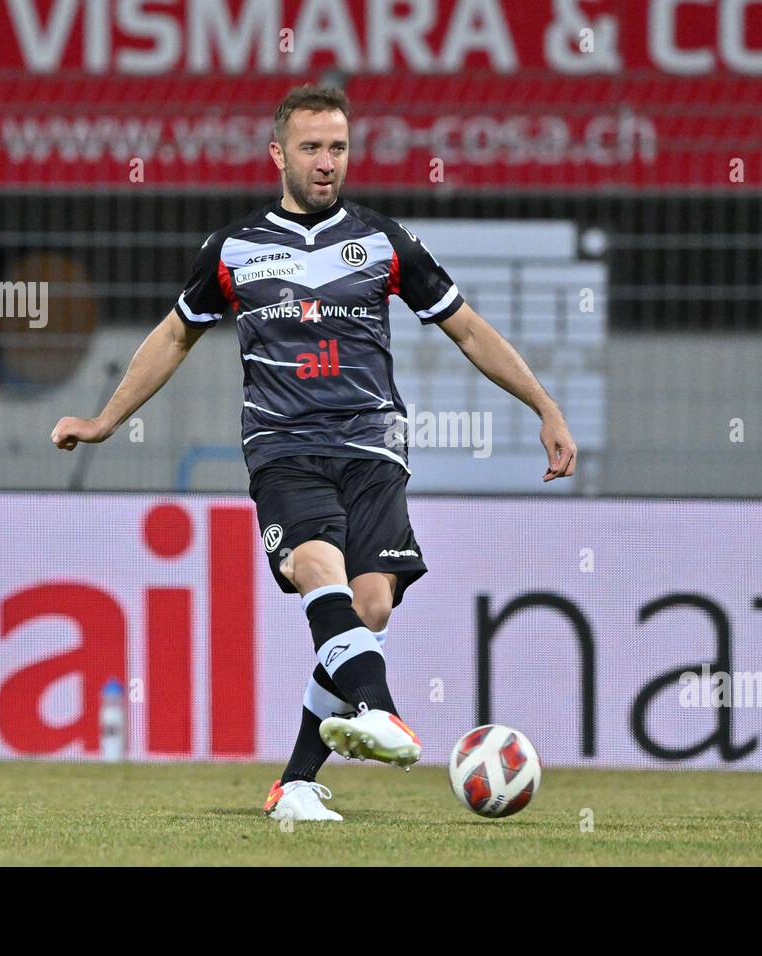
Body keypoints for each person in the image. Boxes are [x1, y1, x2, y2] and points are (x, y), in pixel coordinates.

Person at [51, 84, 577, 822]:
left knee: (369, 608)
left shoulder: (383, 240)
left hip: (373, 448)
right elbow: (173, 336)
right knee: (315, 567)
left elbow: (467, 329)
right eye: (311, 147)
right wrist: (106, 419)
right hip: (285, 447)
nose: (327, 162)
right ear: (279, 154)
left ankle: (295, 783)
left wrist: (545, 406)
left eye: (337, 147)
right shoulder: (234, 250)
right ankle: (382, 709)